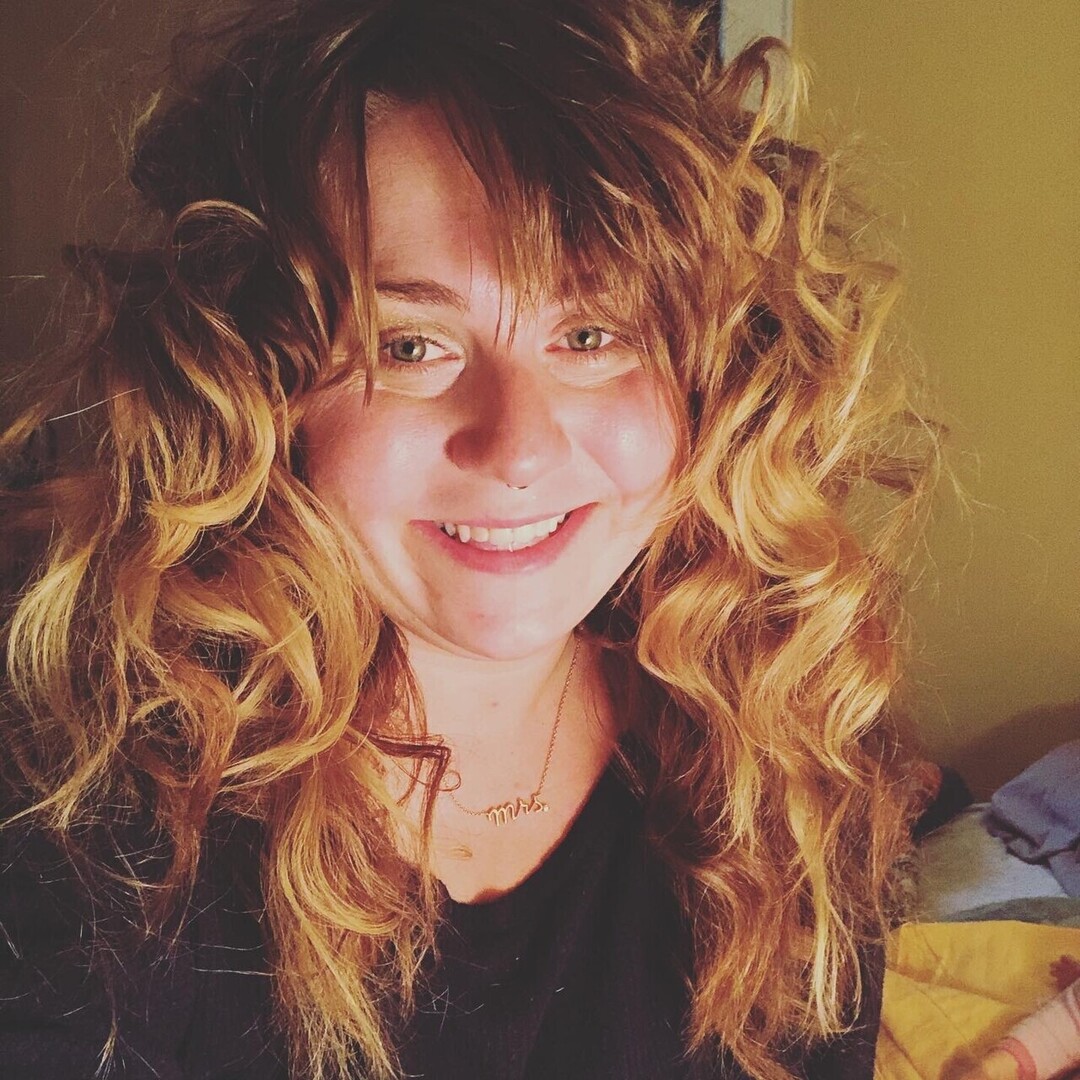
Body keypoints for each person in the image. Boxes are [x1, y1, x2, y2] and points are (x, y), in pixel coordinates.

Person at [0, 0, 935, 1077]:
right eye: (411, 344)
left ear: (709, 383)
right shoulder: (95, 811)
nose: (519, 448)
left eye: (592, 333)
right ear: (256, 386)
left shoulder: (791, 763)